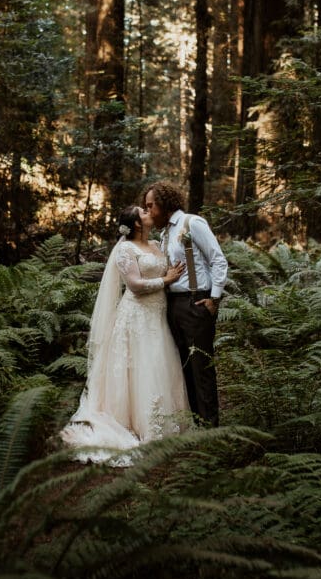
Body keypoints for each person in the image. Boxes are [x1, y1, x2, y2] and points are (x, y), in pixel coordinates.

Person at [60, 205, 190, 464]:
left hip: (157, 316)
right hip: (136, 317)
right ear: (136, 223)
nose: (149, 212)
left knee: (158, 367)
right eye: (143, 211)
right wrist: (167, 280)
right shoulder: (125, 249)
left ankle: (168, 424)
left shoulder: (155, 244)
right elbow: (135, 285)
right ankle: (134, 425)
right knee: (141, 368)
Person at [144, 181, 228, 427]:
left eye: (151, 206)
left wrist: (214, 298)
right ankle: (195, 422)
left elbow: (218, 260)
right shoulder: (165, 233)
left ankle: (210, 426)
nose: (148, 212)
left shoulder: (192, 223)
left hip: (196, 301)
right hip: (173, 304)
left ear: (165, 204)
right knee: (183, 366)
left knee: (201, 366)